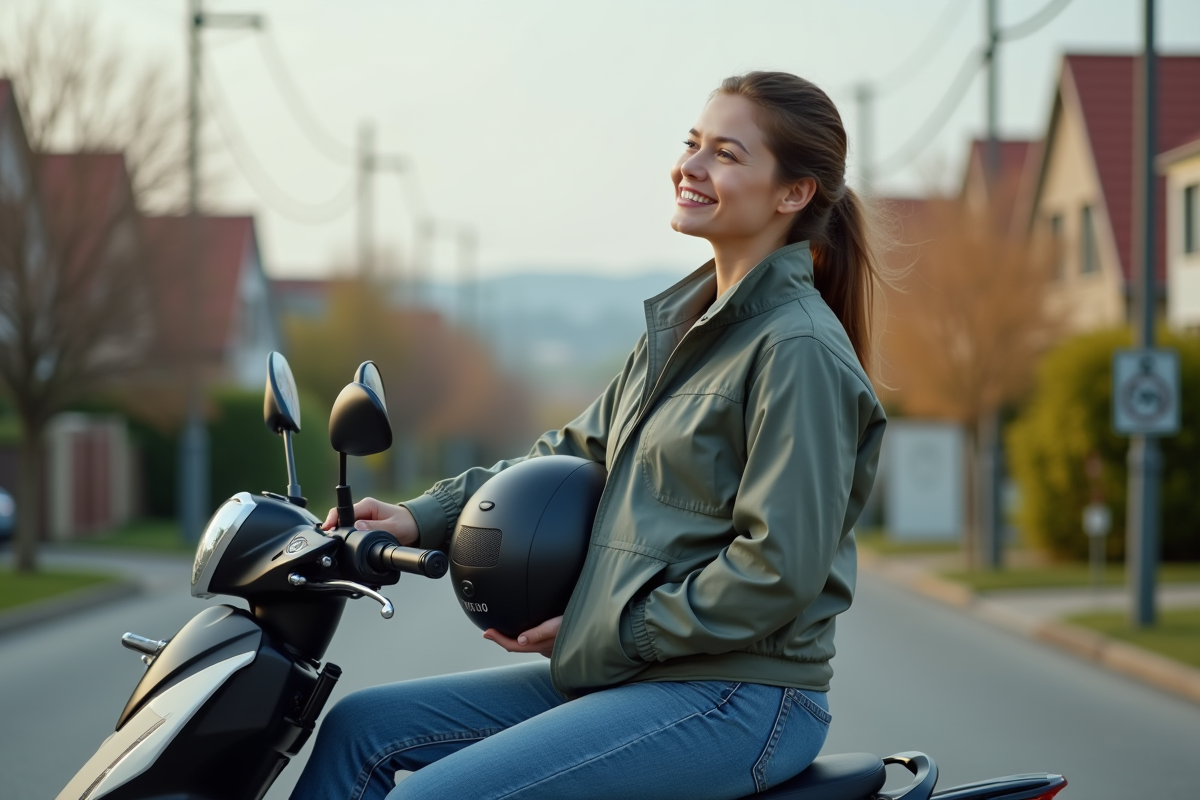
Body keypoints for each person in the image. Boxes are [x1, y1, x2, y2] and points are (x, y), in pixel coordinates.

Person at [291, 71, 889, 800]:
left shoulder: (796, 351)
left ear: (793, 193)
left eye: (726, 155)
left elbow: (777, 570)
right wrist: (423, 517)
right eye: (692, 144)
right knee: (362, 729)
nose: (691, 168)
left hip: (740, 695)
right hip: (643, 675)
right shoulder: (686, 330)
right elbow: (570, 454)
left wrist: (604, 631)